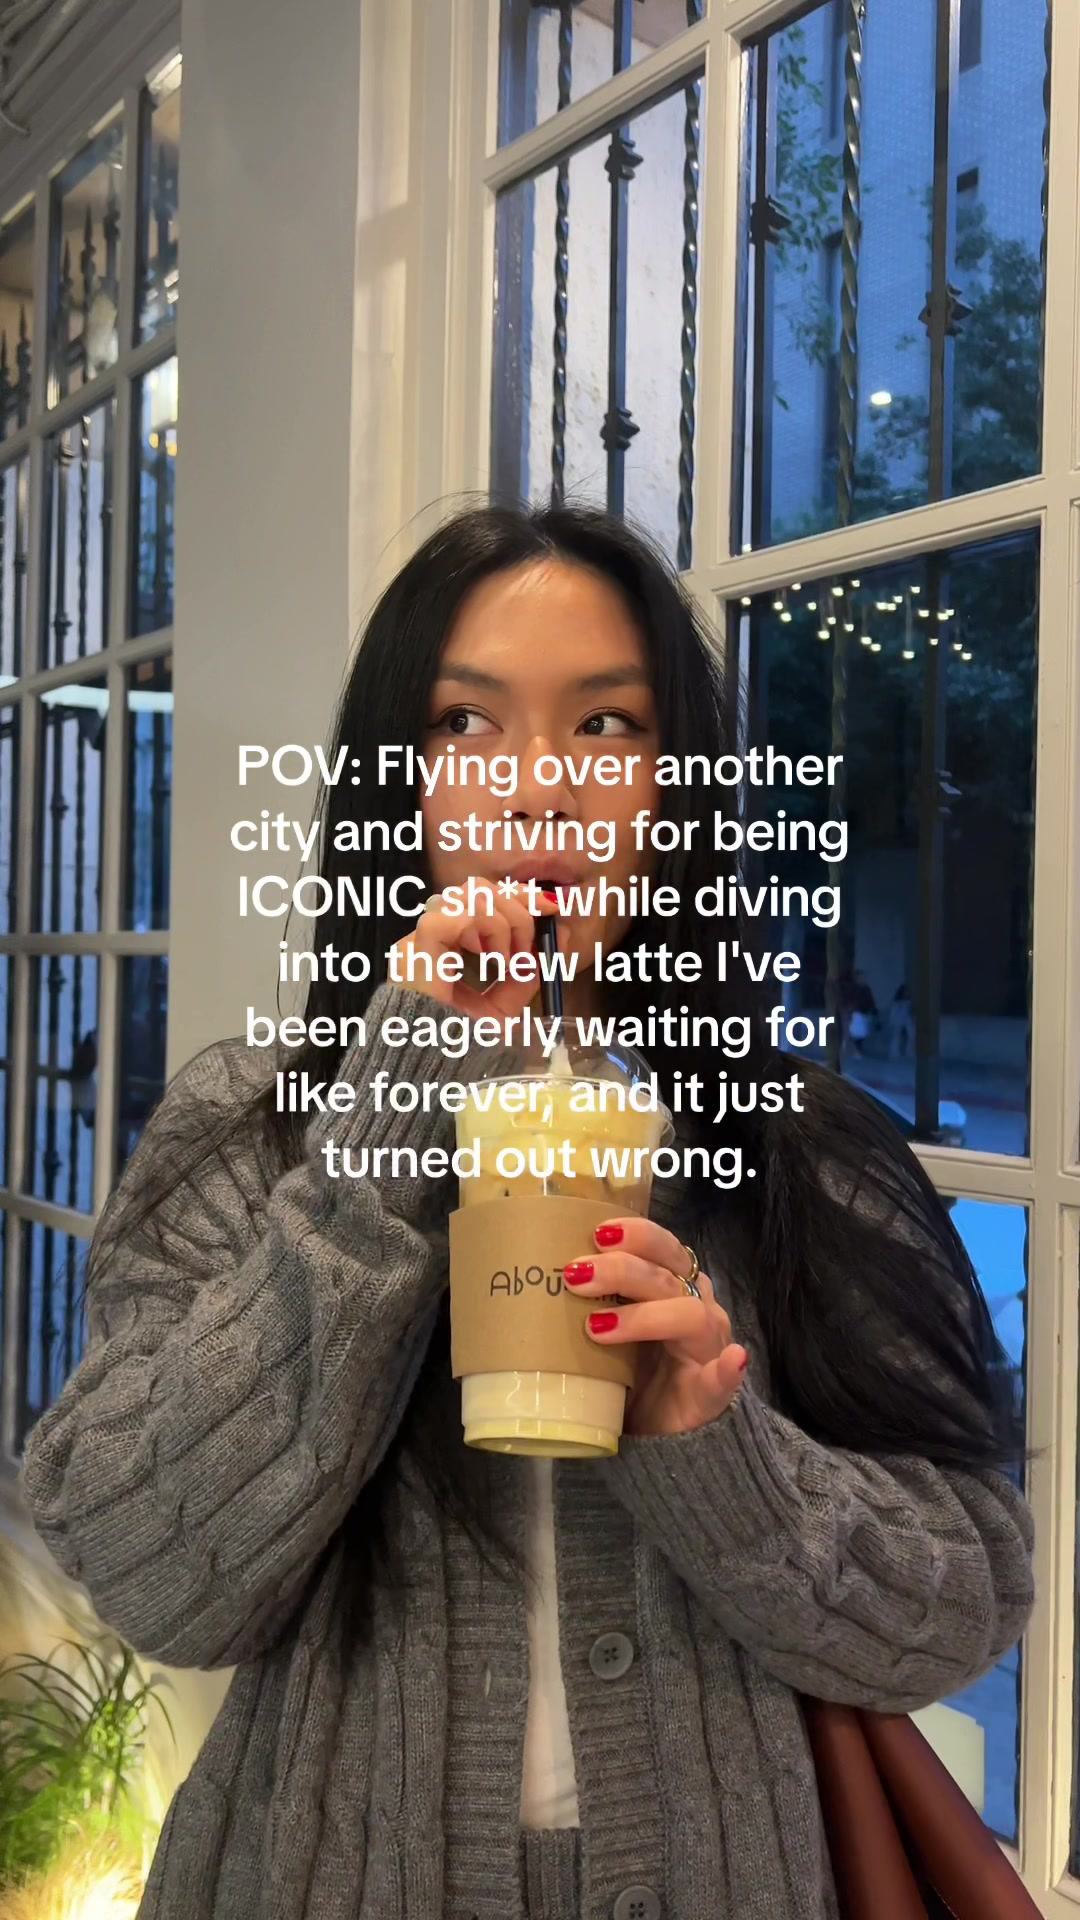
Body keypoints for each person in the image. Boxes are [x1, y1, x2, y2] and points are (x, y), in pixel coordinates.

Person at [18, 505, 1033, 1920]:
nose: (539, 790)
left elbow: (964, 1600)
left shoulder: (797, 1152)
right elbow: (146, 1571)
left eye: (607, 727)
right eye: (465, 725)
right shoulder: (253, 1130)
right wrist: (388, 1127)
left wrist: (719, 1453)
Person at [890, 982, 915, 1059]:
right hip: (898, 1019)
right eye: (905, 991)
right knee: (896, 1037)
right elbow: (893, 1012)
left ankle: (909, 1052)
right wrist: (892, 1021)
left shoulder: (909, 1001)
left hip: (907, 1019)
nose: (906, 993)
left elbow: (910, 1011)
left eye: (907, 991)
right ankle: (894, 1053)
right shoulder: (897, 1002)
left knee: (912, 1035)